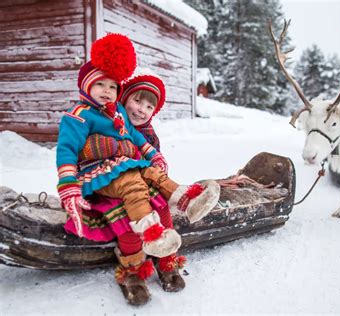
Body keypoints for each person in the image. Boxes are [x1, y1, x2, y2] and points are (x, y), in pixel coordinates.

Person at [57, 33, 220, 305]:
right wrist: (69, 185)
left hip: (135, 181)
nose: (107, 91)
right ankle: (134, 269)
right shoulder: (84, 115)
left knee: (157, 194)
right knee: (128, 214)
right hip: (105, 183)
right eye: (100, 84)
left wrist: (151, 155)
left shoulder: (120, 117)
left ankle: (180, 218)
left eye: (112, 86)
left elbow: (138, 141)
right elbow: (68, 150)